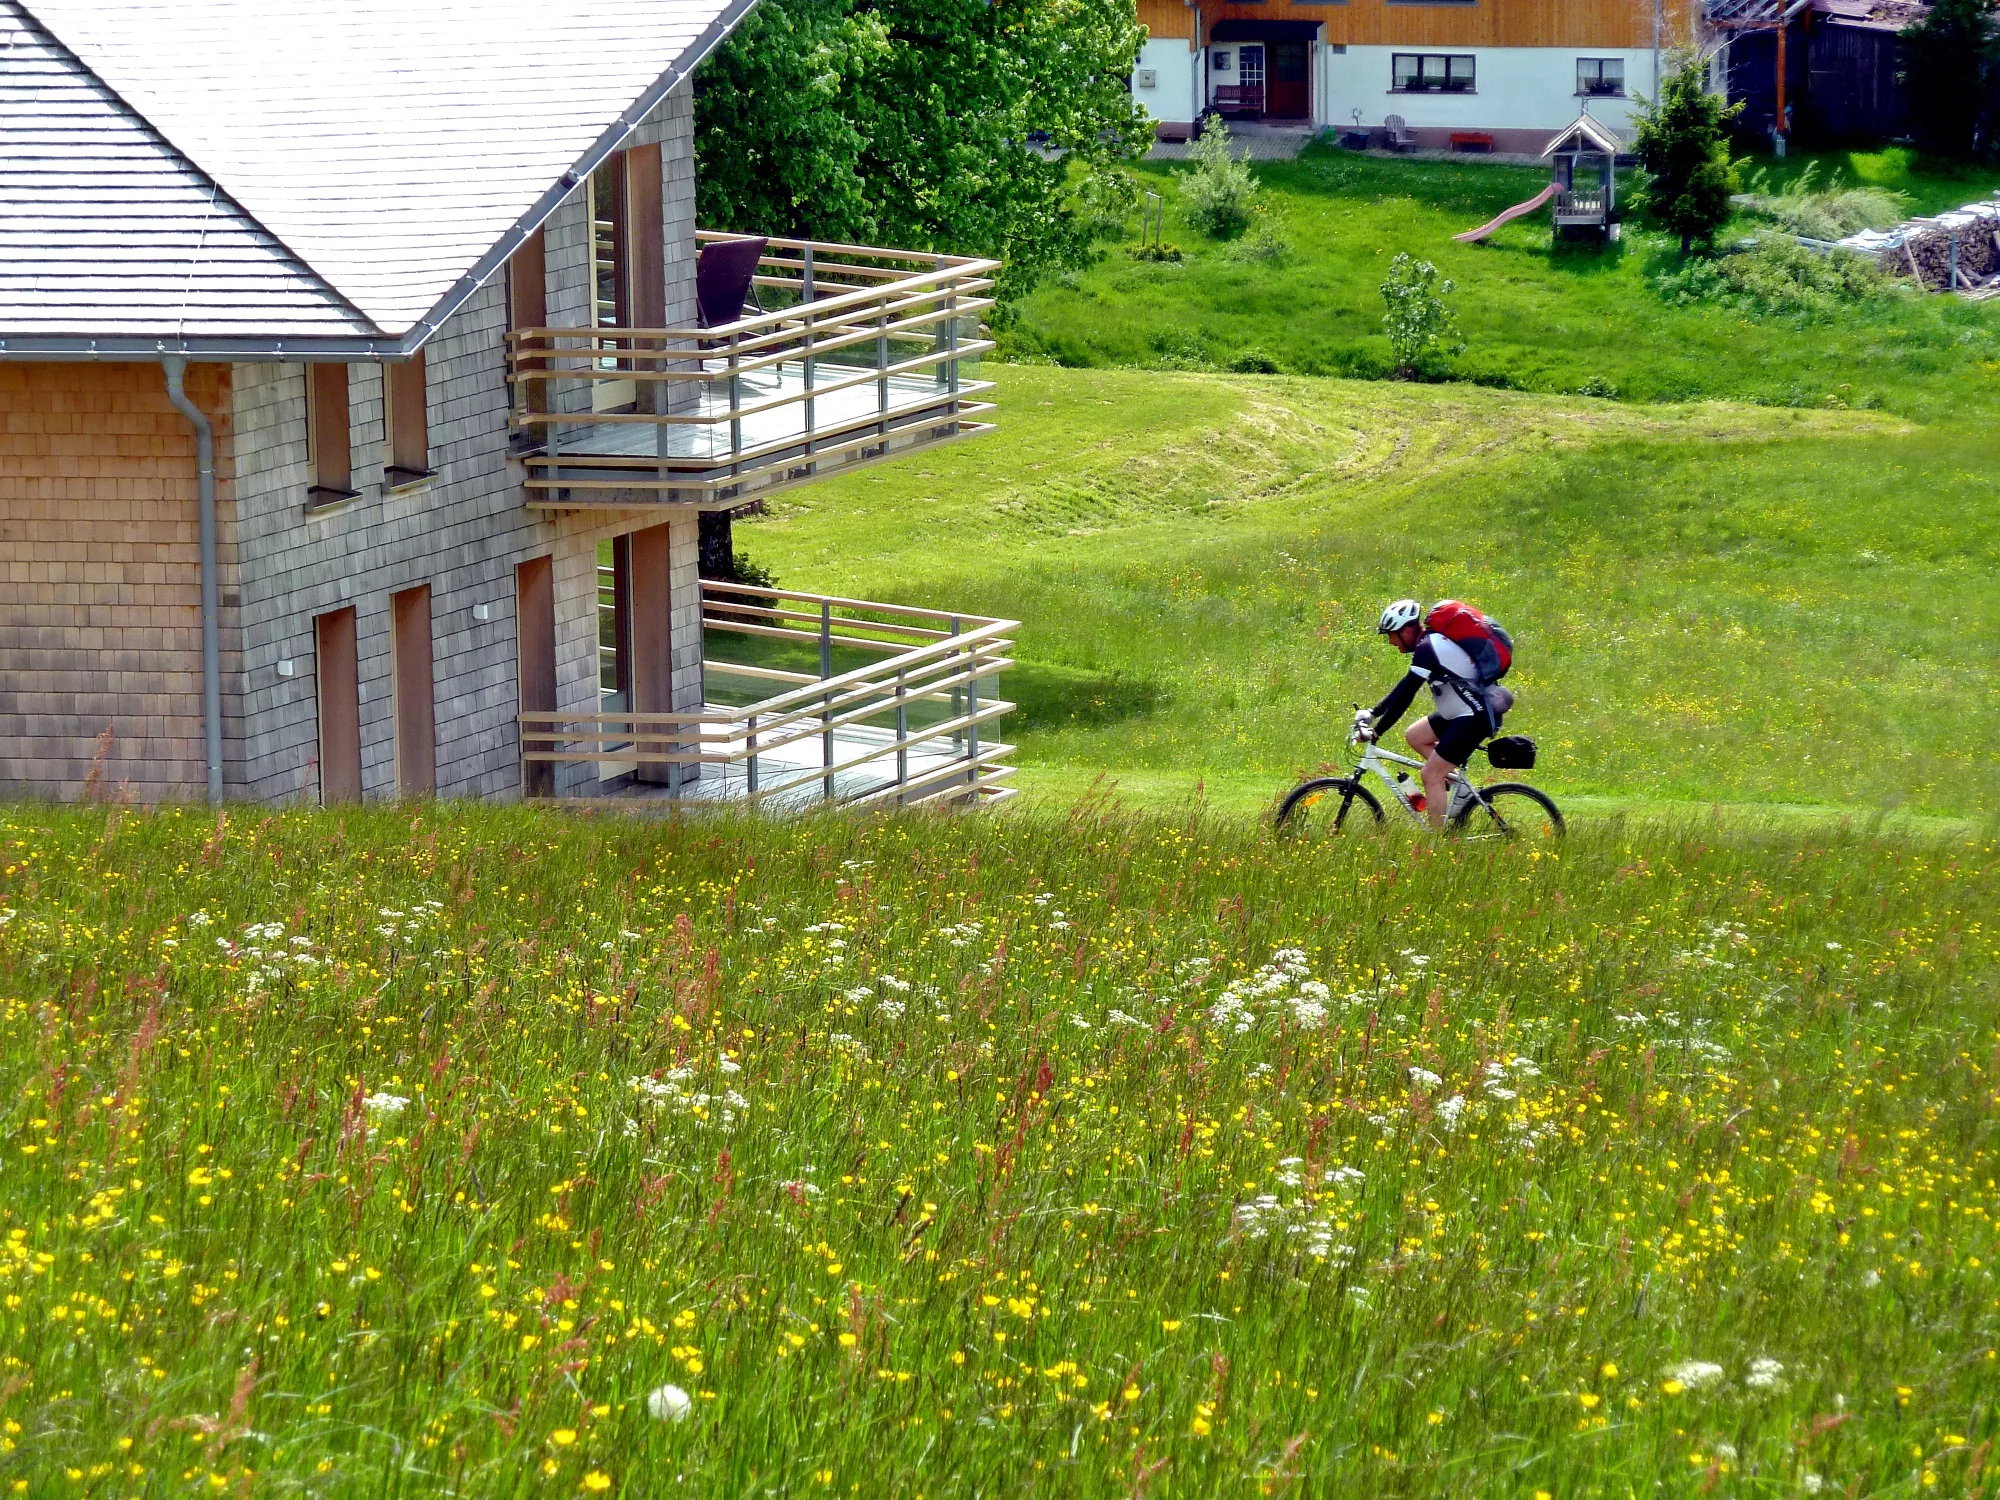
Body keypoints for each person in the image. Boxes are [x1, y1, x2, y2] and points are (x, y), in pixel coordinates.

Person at [1355, 598, 1508, 827]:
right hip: (1461, 713)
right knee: (1415, 736)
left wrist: (1377, 731)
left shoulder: (1429, 648)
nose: (1390, 641)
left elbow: (1407, 695)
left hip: (1473, 717)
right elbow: (1406, 684)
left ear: (1406, 630)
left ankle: (1436, 845)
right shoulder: (1427, 646)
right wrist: (1373, 712)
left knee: (1430, 775)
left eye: (1391, 634)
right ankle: (1462, 790)